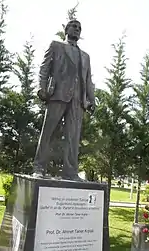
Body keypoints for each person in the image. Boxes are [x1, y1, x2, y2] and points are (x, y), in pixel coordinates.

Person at [32, 19, 95, 181]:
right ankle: (39, 168)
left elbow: (88, 80)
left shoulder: (86, 56)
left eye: (80, 28)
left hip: (77, 101)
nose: (77, 29)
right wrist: (41, 87)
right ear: (66, 29)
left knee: (73, 138)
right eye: (74, 26)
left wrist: (91, 100)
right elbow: (44, 68)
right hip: (57, 94)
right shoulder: (56, 46)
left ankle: (70, 172)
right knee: (48, 133)